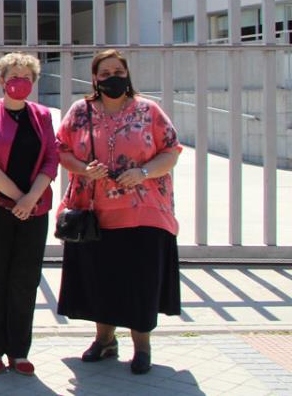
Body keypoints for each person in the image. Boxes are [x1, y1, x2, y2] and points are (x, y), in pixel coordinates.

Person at [55, 49, 183, 375]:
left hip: (145, 211)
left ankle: (142, 346)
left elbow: (171, 151)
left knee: (141, 281)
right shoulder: (80, 112)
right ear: (95, 79)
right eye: (105, 73)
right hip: (95, 212)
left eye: (118, 71)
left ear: (127, 74)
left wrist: (143, 172)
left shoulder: (148, 110)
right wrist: (84, 168)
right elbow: (60, 150)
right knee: (102, 279)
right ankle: (105, 340)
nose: (113, 78)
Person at [0, 52, 60, 377]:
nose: (20, 82)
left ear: (34, 82)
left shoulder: (42, 115)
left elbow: (51, 159)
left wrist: (32, 199)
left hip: (33, 211)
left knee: (26, 279)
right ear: (2, 81)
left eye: (26, 77)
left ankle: (20, 352)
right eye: (14, 76)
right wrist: (20, 197)